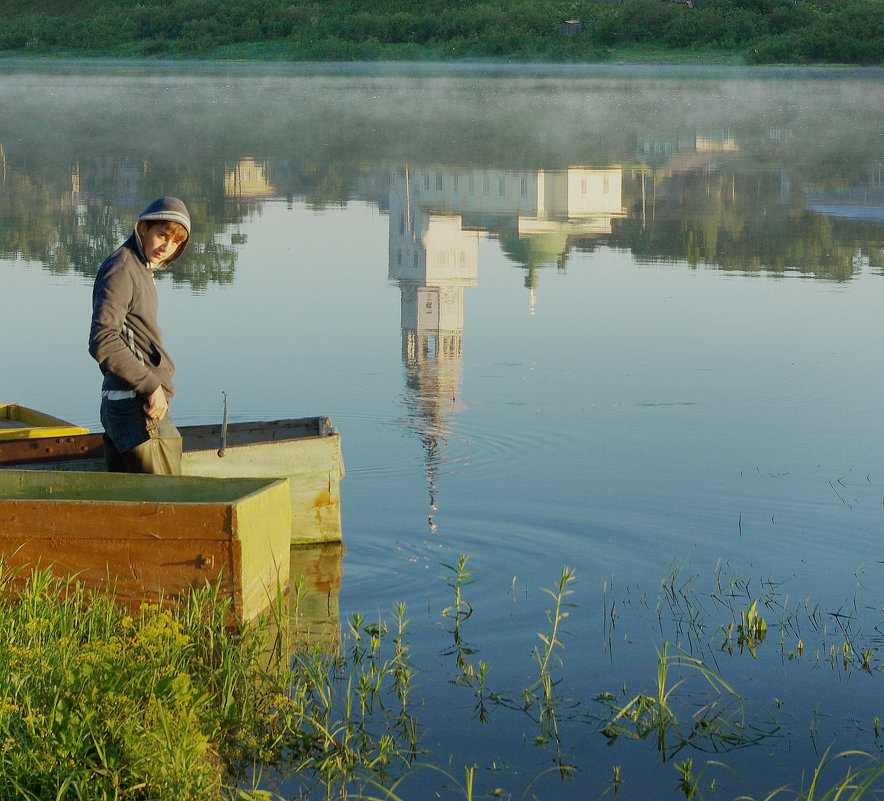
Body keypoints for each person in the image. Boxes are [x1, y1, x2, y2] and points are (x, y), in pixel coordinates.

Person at [88, 197, 191, 474]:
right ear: (142, 228)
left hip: (125, 405)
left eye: (175, 242)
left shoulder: (139, 268)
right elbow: (103, 338)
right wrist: (151, 386)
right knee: (166, 506)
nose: (166, 247)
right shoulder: (123, 269)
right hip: (137, 407)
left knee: (129, 511)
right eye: (161, 235)